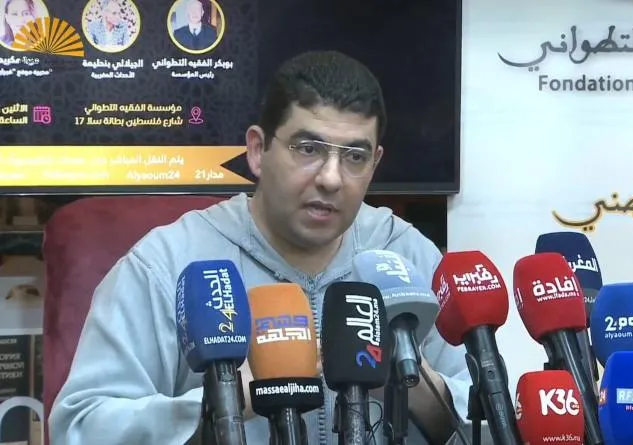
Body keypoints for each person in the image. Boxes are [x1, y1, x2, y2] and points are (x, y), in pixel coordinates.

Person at [49, 51, 471, 444]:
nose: (331, 178)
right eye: (308, 149)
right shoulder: (167, 263)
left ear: (374, 163)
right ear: (257, 150)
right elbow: (80, 426)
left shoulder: (404, 258)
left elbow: (483, 416)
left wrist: (415, 386)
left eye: (354, 157)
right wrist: (229, 399)